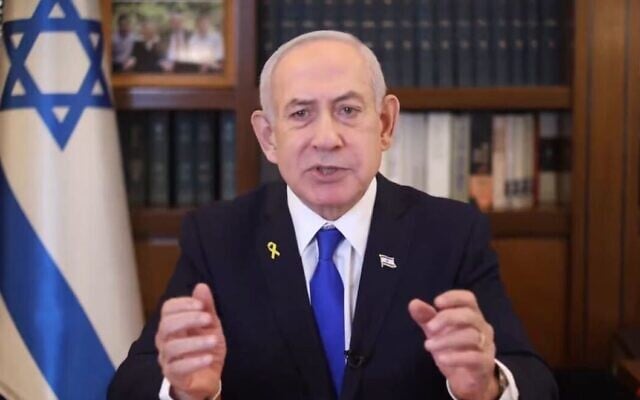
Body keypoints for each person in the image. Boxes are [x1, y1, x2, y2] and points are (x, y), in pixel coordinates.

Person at [109, 31, 558, 400]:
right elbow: (131, 383)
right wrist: (184, 391)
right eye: (301, 113)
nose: (327, 138)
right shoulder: (217, 237)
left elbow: (535, 381)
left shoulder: (451, 233)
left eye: (347, 110)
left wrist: (487, 387)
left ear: (385, 124)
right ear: (268, 137)